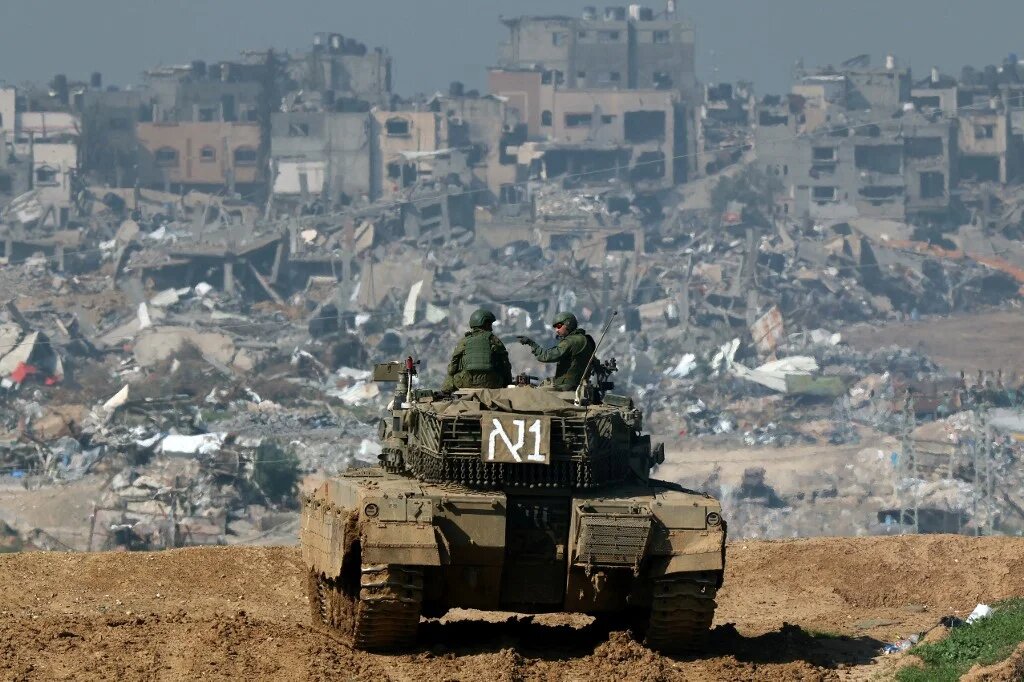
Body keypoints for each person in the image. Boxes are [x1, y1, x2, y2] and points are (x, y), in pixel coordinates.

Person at [517, 312, 596, 390]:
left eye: (559, 326)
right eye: (555, 327)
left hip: (567, 386)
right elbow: (594, 361)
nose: (556, 330)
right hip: (579, 384)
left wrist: (531, 343)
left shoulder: (570, 341)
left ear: (568, 324)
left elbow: (546, 356)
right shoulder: (586, 339)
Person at [441, 308, 513, 392]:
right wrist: (508, 383)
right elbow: (506, 366)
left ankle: (445, 393)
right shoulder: (494, 340)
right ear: (484, 324)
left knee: (451, 375)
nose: (491, 328)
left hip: (467, 382)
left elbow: (452, 368)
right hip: (491, 383)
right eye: (489, 324)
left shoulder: (464, 341)